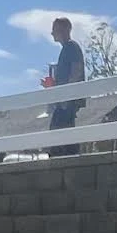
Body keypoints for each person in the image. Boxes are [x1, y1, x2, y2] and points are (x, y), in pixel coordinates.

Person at [42, 15, 85, 157]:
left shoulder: (71, 47)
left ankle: (66, 159)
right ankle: (67, 158)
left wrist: (67, 96)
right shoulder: (66, 49)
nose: (52, 33)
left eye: (54, 29)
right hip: (63, 99)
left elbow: (76, 71)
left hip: (68, 100)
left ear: (63, 30)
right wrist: (52, 86)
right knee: (62, 131)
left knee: (59, 130)